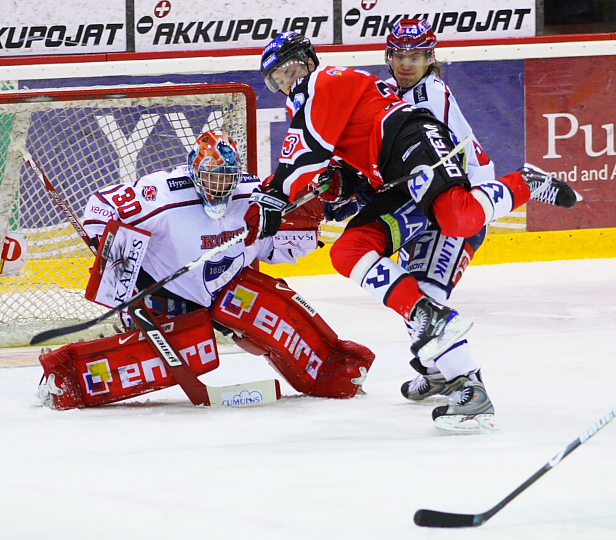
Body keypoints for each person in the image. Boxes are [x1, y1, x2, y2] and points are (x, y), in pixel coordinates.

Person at [245, 32, 579, 433]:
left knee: (459, 219)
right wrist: (336, 187)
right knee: (349, 250)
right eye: (276, 78)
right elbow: (342, 172)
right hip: (399, 184)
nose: (286, 80)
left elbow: (302, 159)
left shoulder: (324, 82)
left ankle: (525, 182)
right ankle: (431, 328)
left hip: (417, 147)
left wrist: (271, 200)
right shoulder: (319, 101)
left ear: (308, 60)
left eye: (289, 69)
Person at [38, 129, 374, 410]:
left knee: (273, 305)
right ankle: (68, 377)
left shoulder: (254, 194)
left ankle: (332, 369)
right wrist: (108, 245)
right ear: (194, 171)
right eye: (212, 177)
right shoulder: (161, 193)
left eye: (226, 178)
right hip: (164, 292)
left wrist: (306, 223)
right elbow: (102, 204)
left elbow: (275, 247)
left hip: (227, 288)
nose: (219, 186)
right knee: (188, 350)